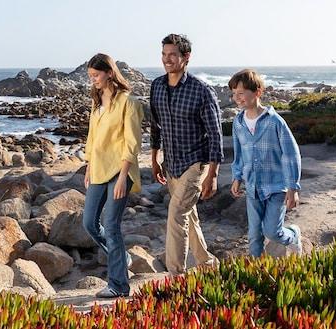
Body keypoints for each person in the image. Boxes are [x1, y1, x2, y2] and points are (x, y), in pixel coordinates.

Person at [149, 34, 222, 275]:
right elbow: (156, 126)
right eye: (164, 54)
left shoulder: (201, 91)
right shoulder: (157, 86)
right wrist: (154, 159)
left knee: (176, 215)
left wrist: (212, 174)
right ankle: (208, 264)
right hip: (171, 164)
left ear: (186, 57)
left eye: (172, 55)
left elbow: (215, 135)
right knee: (189, 218)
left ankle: (175, 276)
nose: (166, 59)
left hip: (194, 163)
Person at [82, 53, 144, 298]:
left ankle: (119, 286)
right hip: (98, 169)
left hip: (120, 171)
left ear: (109, 72)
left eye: (96, 75)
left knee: (111, 224)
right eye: (90, 76)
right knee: (89, 223)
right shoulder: (97, 103)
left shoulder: (128, 102)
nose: (93, 80)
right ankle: (123, 257)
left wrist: (122, 177)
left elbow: (132, 141)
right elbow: (92, 138)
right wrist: (88, 166)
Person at [228, 69, 303, 257]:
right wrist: (237, 177)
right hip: (253, 187)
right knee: (254, 235)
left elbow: (290, 154)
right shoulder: (238, 123)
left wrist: (293, 188)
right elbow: (239, 155)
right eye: (234, 94)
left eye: (241, 93)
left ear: (257, 92)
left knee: (272, 231)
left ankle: (293, 235)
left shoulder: (275, 122)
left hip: (276, 187)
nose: (237, 98)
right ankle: (257, 271)